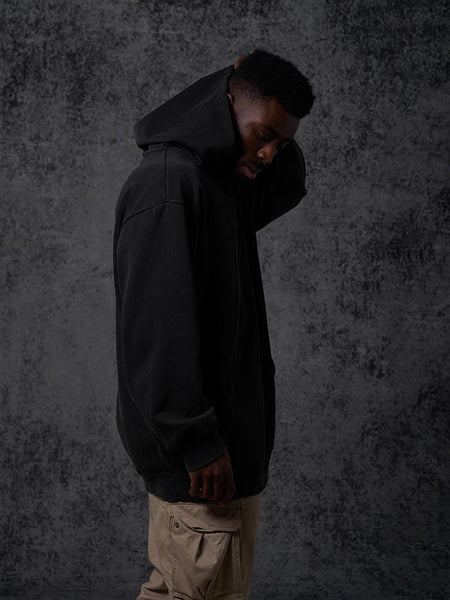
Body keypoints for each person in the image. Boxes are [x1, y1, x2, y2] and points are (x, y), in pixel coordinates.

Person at [113, 48, 315, 600]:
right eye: (262, 136)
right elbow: (155, 336)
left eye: (281, 142)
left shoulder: (219, 185)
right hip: (203, 465)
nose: (269, 154)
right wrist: (197, 442)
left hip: (229, 453)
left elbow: (286, 185)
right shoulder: (167, 186)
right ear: (225, 106)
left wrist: (254, 115)